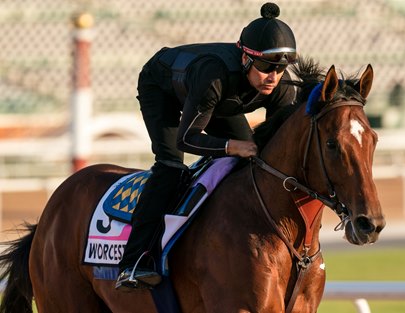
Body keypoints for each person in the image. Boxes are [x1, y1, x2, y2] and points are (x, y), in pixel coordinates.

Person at [116, 2, 299, 290]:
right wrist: (229, 147)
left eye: (280, 68)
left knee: (255, 159)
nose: (273, 77)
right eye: (266, 66)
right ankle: (133, 261)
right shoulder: (213, 75)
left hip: (217, 101)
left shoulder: (282, 86)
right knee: (171, 166)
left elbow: (275, 148)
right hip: (162, 87)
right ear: (245, 60)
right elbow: (187, 138)